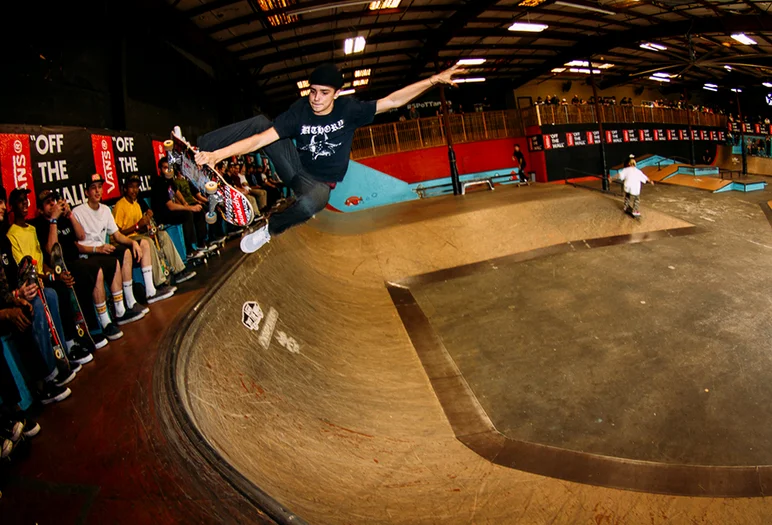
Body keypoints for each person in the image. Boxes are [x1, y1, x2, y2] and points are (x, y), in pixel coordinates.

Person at [186, 62, 463, 253]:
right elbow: (261, 140)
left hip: (318, 183)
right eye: (313, 91)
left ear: (337, 94)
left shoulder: (349, 110)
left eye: (324, 93)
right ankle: (201, 150)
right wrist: (216, 155)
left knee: (316, 202)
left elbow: (392, 101)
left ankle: (269, 231)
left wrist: (433, 80)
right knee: (260, 123)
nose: (316, 99)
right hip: (293, 166)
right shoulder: (299, 110)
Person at [6, 188, 94, 365]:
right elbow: (25, 270)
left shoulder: (31, 229)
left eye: (26, 200)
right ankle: (67, 346)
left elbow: (42, 261)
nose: (24, 203)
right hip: (32, 284)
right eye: (20, 201)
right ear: (12, 207)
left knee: (70, 279)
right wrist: (52, 279)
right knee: (57, 291)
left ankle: (74, 340)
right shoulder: (11, 234)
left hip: (45, 277)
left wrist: (54, 274)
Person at [31, 189, 113, 348]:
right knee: (79, 275)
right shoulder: (41, 224)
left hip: (76, 259)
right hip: (60, 266)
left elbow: (81, 236)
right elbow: (51, 250)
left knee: (93, 268)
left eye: (53, 201)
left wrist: (69, 215)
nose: (53, 205)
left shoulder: (63, 218)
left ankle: (97, 327)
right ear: (41, 209)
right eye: (48, 203)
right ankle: (80, 336)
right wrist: (53, 221)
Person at [70, 174, 147, 325]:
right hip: (89, 254)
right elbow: (77, 245)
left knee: (124, 252)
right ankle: (115, 315)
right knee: (112, 262)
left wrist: (132, 243)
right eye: (93, 188)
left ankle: (129, 303)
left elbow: (117, 235)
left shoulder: (105, 210)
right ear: (86, 192)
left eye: (99, 187)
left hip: (103, 251)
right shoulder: (78, 211)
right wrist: (97, 249)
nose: (97, 191)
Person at [112, 175, 193, 290]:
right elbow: (118, 234)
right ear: (125, 189)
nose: (134, 190)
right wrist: (137, 225)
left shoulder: (136, 204)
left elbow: (139, 228)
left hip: (137, 235)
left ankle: (179, 271)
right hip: (125, 240)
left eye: (136, 187)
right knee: (148, 242)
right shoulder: (120, 205)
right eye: (131, 187)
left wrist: (147, 227)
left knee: (162, 235)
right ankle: (160, 283)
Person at [152, 158, 209, 259]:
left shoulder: (169, 181)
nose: (168, 170)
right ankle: (189, 250)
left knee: (199, 211)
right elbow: (170, 206)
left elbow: (177, 192)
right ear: (160, 169)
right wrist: (189, 208)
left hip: (172, 210)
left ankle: (201, 243)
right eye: (165, 168)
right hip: (163, 215)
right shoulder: (159, 183)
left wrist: (185, 203)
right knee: (187, 214)